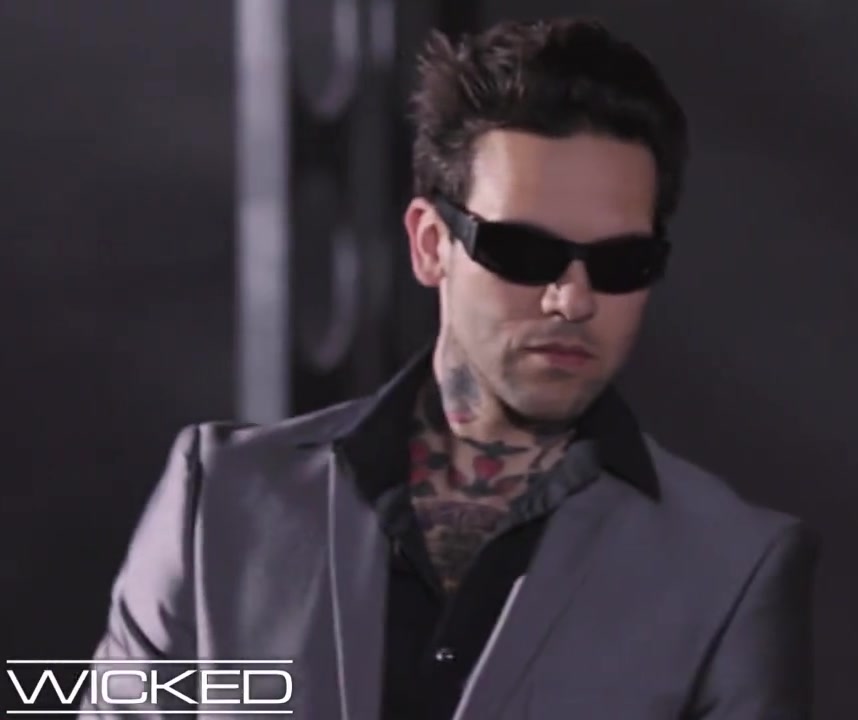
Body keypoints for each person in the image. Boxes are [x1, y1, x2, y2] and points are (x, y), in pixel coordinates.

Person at [83, 16, 820, 720]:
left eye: (622, 263)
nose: (572, 299)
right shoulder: (223, 504)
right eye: (523, 252)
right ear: (431, 245)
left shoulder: (730, 569)